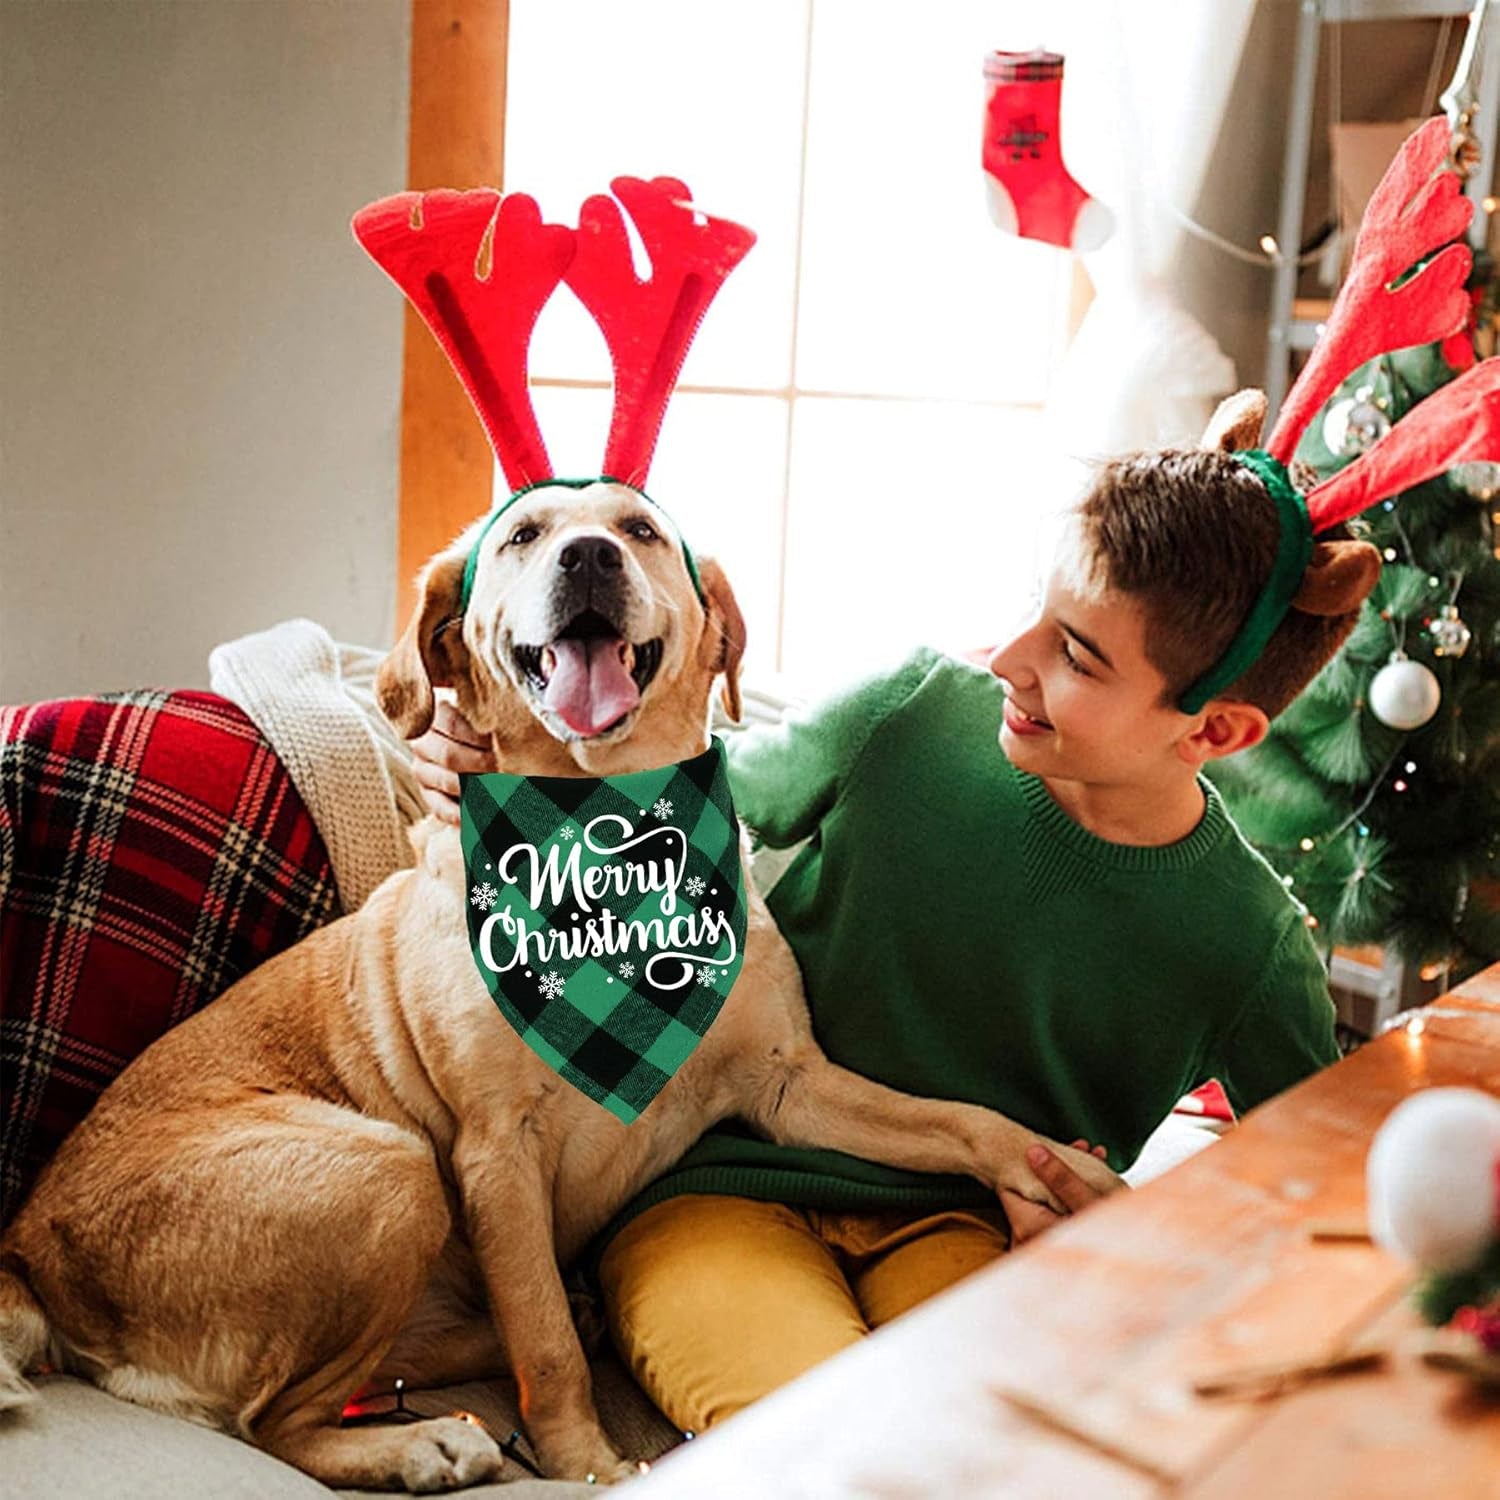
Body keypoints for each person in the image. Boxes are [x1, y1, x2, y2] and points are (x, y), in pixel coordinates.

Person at [410, 438, 1370, 1436]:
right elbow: (663, 776)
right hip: (719, 1193)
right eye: (1033, 609)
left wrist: (1123, 1233)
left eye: (1077, 653)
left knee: (984, 1442)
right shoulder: (910, 714)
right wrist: (480, 748)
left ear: (1213, 732)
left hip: (964, 1221)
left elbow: (1334, 1198)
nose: (1007, 658)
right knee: (814, 1448)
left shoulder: (1248, 943)